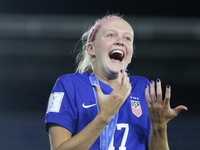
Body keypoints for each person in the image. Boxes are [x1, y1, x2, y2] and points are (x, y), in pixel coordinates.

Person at [45, 14, 188, 150]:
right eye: (111, 35)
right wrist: (104, 116)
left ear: (130, 55)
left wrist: (159, 126)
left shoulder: (143, 89)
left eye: (127, 38)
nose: (120, 41)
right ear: (91, 49)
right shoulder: (69, 85)